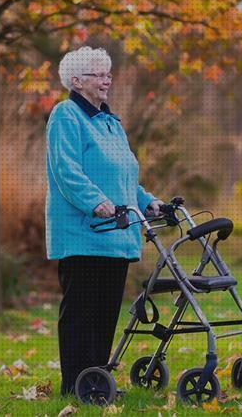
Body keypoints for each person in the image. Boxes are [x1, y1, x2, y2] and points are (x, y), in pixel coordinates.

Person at [45, 46, 163, 397]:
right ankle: (75, 386)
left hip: (117, 235)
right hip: (82, 235)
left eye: (108, 73)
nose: (107, 79)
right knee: (81, 315)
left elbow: (125, 180)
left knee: (105, 315)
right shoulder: (66, 116)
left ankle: (96, 383)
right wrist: (97, 202)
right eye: (99, 73)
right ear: (77, 80)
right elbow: (66, 171)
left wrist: (149, 202)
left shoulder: (111, 124)